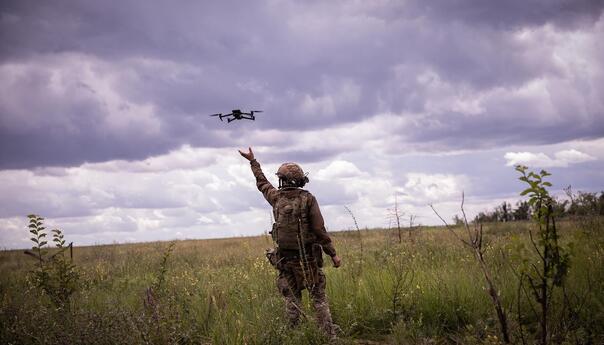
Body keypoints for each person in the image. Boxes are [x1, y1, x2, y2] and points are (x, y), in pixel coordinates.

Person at [238, 147, 342, 339]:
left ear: (282, 180)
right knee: (318, 298)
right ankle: (329, 337)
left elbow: (262, 183)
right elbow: (319, 230)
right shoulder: (308, 199)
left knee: (292, 300)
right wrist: (333, 254)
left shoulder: (276, 198)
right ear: (300, 179)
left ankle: (293, 337)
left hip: (285, 260)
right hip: (308, 260)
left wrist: (253, 162)